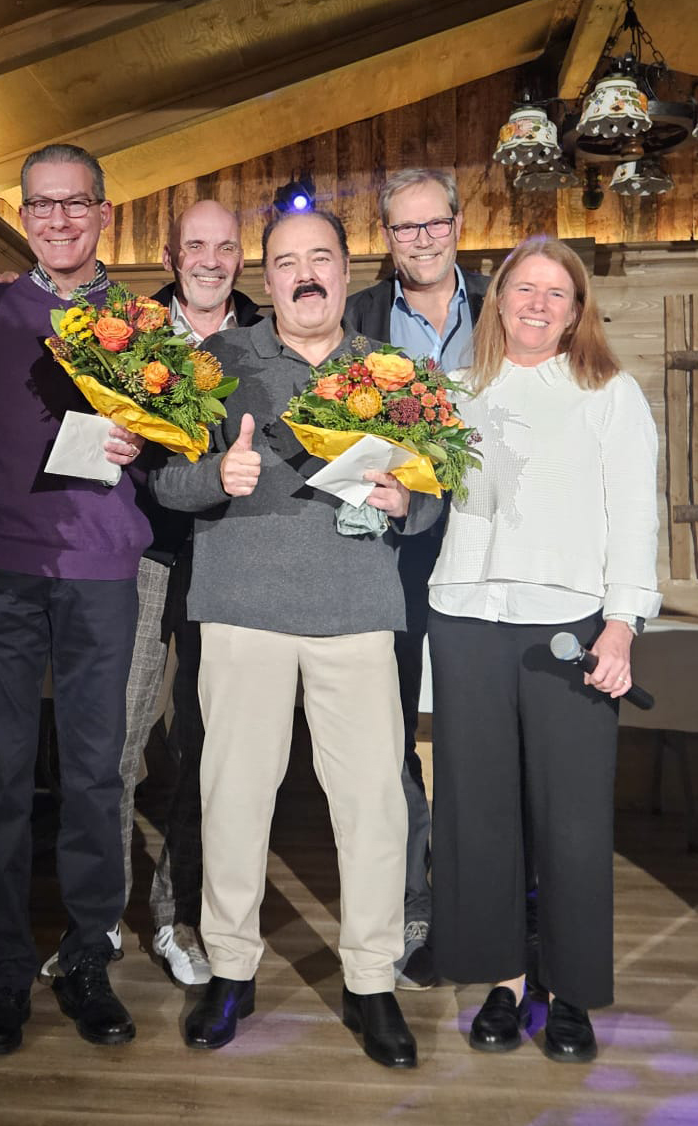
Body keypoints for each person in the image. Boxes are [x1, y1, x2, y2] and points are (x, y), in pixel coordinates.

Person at [152, 207, 440, 1067]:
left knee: (375, 807)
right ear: (267, 278)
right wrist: (218, 473)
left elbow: (434, 495)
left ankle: (371, 982)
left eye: (320, 258)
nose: (305, 274)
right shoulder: (215, 362)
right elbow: (166, 482)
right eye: (286, 262)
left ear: (347, 271)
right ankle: (230, 971)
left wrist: (407, 500)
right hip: (242, 610)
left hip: (357, 612)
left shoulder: (393, 371)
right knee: (233, 800)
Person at [427, 235, 660, 1062]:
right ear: (498, 300)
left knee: (572, 819)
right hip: (464, 618)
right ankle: (504, 981)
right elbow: (421, 496)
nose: (537, 303)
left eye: (555, 293)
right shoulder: (453, 389)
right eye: (523, 288)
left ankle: (568, 993)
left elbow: (635, 516)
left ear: (576, 311)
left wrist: (623, 623)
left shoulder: (609, 393)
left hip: (569, 628)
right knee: (478, 815)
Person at [0, 143, 149, 1056]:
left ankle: (85, 958)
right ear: (23, 215)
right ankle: (2, 970)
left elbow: (182, 441)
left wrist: (149, 442)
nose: (59, 219)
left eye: (76, 204)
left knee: (94, 774)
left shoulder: (143, 325)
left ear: (104, 212)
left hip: (102, 569)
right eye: (42, 204)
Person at [344, 168, 487, 989]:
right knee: (391, 732)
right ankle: (413, 902)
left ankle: (485, 897)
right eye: (406, 228)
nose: (423, 240)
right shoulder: (361, 316)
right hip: (391, 553)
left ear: (459, 226)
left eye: (435, 224)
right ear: (388, 238)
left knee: (478, 730)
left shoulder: (503, 308)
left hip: (489, 554)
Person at [118, 200, 261, 986]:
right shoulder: (129, 334)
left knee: (205, 747)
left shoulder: (265, 336)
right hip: (141, 555)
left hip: (230, 562)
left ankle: (177, 919)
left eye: (225, 246)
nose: (210, 259)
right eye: (196, 246)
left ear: (241, 257)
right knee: (118, 738)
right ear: (172, 255)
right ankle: (102, 915)